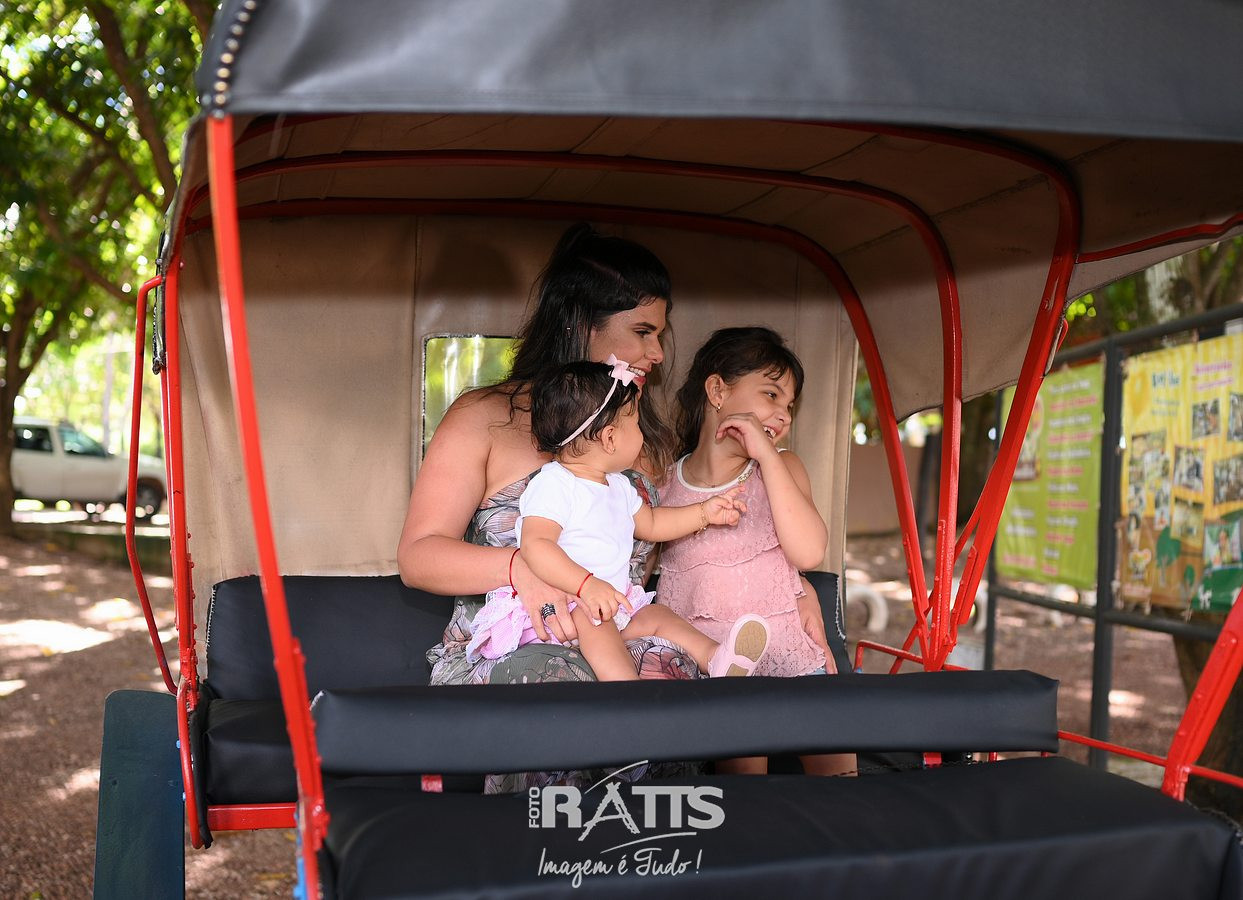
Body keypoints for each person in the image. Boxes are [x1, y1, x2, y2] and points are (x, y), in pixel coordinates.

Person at [397, 223, 696, 790]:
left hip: (618, 641)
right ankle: (541, 843)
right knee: (556, 687)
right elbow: (418, 557)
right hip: (509, 651)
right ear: (579, 324)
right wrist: (522, 569)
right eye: (641, 331)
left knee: (678, 678)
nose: (657, 353)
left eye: (660, 334)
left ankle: (660, 841)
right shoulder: (485, 417)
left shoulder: (645, 440)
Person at [467, 357, 770, 680]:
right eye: (636, 424)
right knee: (595, 622)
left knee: (657, 616)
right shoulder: (554, 483)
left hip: (610, 604)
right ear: (610, 438)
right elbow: (536, 545)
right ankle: (625, 690)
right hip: (566, 605)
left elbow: (652, 524)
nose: (641, 433)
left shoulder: (619, 485)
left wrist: (704, 513)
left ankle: (717, 658)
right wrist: (585, 585)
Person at [658, 326, 856, 776]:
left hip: (791, 654)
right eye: (771, 395)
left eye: (790, 407)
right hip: (719, 670)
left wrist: (766, 455)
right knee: (747, 786)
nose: (782, 415)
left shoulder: (781, 467)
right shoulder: (665, 485)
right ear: (717, 391)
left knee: (842, 780)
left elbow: (809, 553)